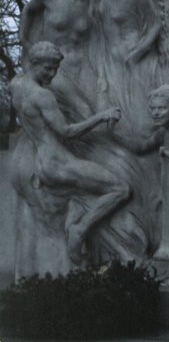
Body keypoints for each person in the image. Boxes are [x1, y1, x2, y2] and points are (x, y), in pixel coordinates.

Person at [10, 41, 130, 264]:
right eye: (47, 68)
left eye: (55, 68)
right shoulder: (43, 96)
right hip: (57, 163)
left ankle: (75, 210)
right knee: (120, 188)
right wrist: (101, 116)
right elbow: (66, 131)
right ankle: (80, 230)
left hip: (43, 162)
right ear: (33, 63)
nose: (52, 74)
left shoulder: (15, 85)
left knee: (86, 191)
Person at [94, 0, 163, 132]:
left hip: (133, 60)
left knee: (136, 117)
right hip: (109, 59)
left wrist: (138, 53)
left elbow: (156, 24)